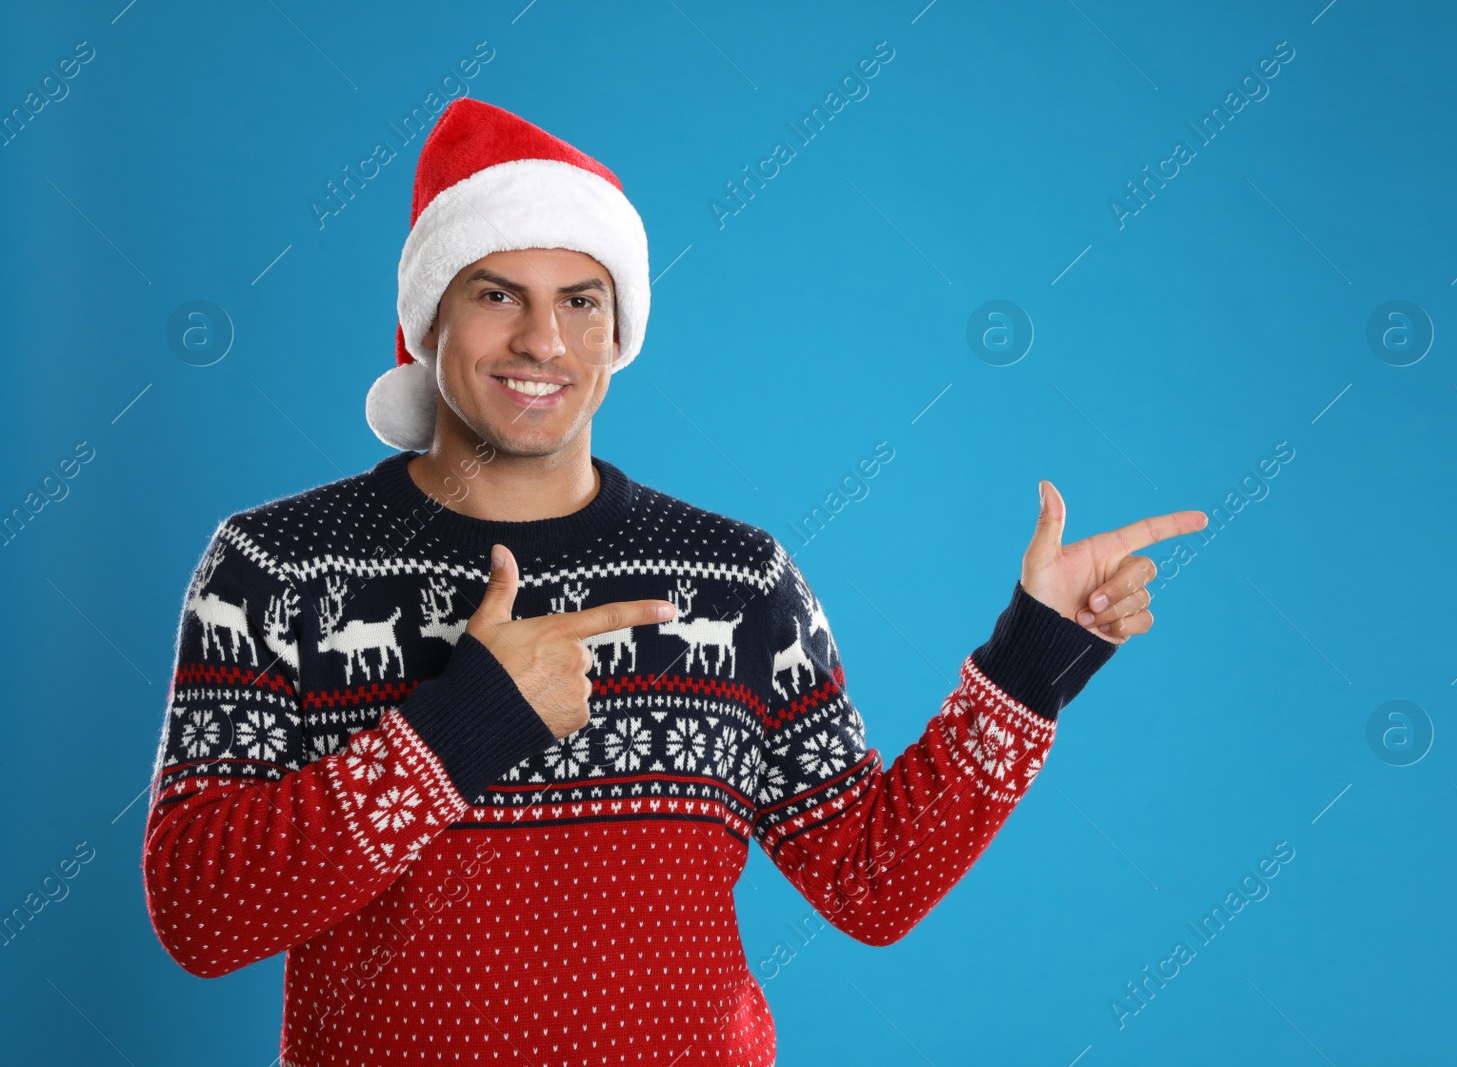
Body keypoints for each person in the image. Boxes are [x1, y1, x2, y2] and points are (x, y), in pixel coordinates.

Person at [142, 97, 1205, 1067]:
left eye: (582, 301)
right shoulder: (276, 568)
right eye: (496, 292)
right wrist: (463, 724)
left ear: (619, 331)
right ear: (429, 322)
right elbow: (197, 914)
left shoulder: (736, 581)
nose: (541, 340)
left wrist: (1031, 659)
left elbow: (868, 881)